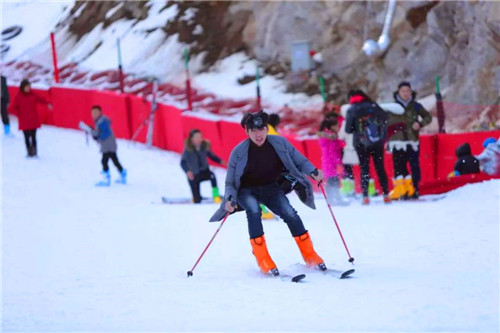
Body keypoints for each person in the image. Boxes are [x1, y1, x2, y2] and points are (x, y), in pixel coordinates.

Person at [210, 110, 326, 276]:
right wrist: (229, 200)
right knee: (254, 211)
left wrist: (313, 171)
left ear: (267, 128)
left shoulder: (279, 143)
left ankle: (309, 254)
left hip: (270, 188)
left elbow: (298, 159)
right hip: (246, 190)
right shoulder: (238, 152)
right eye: (254, 131)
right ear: (247, 131)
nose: (259, 134)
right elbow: (230, 182)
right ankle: (262, 256)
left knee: (290, 213)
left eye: (262, 129)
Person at [388, 81, 432, 199]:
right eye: (403, 91)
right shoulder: (393, 107)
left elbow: (428, 117)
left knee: (414, 165)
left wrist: (420, 124)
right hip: (397, 141)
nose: (406, 93)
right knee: (399, 166)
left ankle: (414, 189)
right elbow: (385, 122)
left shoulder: (416, 106)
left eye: (408, 91)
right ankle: (401, 190)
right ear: (398, 92)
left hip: (412, 141)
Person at [344, 89, 390, 205]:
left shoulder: (351, 110)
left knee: (364, 168)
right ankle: (386, 195)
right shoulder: (373, 106)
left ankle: (365, 196)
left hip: (360, 143)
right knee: (380, 167)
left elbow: (348, 130)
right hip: (377, 142)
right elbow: (385, 118)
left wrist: (358, 126)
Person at [180, 129, 225, 204]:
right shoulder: (187, 149)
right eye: (197, 137)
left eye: (200, 137)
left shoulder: (204, 147)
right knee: (197, 200)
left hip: (205, 172)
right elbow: (182, 162)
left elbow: (212, 156)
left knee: (212, 176)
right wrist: (187, 171)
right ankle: (196, 197)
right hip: (193, 175)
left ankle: (216, 196)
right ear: (192, 139)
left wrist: (221, 161)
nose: (199, 139)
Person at [9, 79, 52, 157]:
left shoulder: (33, 94)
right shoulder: (18, 97)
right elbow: (12, 108)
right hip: (24, 120)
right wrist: (19, 114)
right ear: (22, 88)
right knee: (26, 137)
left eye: (29, 87)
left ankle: (34, 152)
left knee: (33, 136)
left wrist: (48, 103)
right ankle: (29, 152)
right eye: (27, 87)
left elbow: (41, 99)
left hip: (33, 119)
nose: (28, 88)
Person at [89, 105, 126, 186]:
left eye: (96, 112)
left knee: (104, 161)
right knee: (114, 160)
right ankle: (122, 173)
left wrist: (97, 136)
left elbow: (106, 133)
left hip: (108, 145)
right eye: (93, 113)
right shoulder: (100, 121)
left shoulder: (102, 121)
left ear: (100, 112)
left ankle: (107, 179)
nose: (94, 114)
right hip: (109, 144)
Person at [318, 118, 349, 206]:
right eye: (336, 125)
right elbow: (333, 151)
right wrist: (338, 163)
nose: (338, 127)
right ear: (331, 126)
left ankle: (331, 199)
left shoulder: (328, 136)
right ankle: (335, 199)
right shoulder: (330, 137)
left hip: (328, 162)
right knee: (333, 182)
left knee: (331, 181)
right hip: (332, 163)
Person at [338, 104, 359, 196]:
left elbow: (341, 136)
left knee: (347, 169)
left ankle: (348, 189)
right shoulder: (360, 120)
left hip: (347, 149)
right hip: (359, 148)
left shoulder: (345, 122)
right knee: (364, 169)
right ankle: (369, 189)